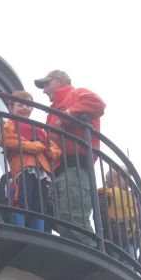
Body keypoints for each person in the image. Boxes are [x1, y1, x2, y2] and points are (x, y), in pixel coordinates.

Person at [34, 70, 106, 246]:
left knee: (73, 220)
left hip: (75, 166)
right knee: (62, 222)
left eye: (47, 84)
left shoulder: (76, 94)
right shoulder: (52, 110)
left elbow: (97, 103)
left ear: (59, 81)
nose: (44, 90)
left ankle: (96, 257)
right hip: (58, 168)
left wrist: (67, 116)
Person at [1, 91, 61, 231]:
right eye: (20, 104)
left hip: (41, 169)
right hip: (23, 166)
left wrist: (46, 150)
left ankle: (37, 231)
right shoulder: (9, 124)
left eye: (28, 105)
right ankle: (20, 229)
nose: (25, 108)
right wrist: (37, 146)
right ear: (11, 108)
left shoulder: (39, 129)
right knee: (22, 198)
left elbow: (55, 150)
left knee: (39, 202)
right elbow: (8, 140)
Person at [98, 166, 137, 262]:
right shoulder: (106, 194)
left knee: (129, 264)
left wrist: (134, 233)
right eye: (124, 178)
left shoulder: (131, 198)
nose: (128, 182)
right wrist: (112, 227)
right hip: (112, 237)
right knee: (113, 261)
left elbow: (136, 219)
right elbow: (102, 214)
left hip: (128, 240)